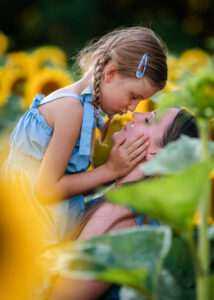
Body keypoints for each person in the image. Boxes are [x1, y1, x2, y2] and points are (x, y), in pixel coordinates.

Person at [1, 26, 167, 299]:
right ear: (111, 73)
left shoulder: (82, 109)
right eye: (134, 96)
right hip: (35, 228)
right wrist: (110, 170)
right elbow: (46, 189)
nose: (134, 108)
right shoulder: (72, 110)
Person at [48, 108, 199, 300]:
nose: (135, 115)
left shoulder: (117, 216)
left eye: (148, 121)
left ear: (156, 154)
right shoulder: (136, 206)